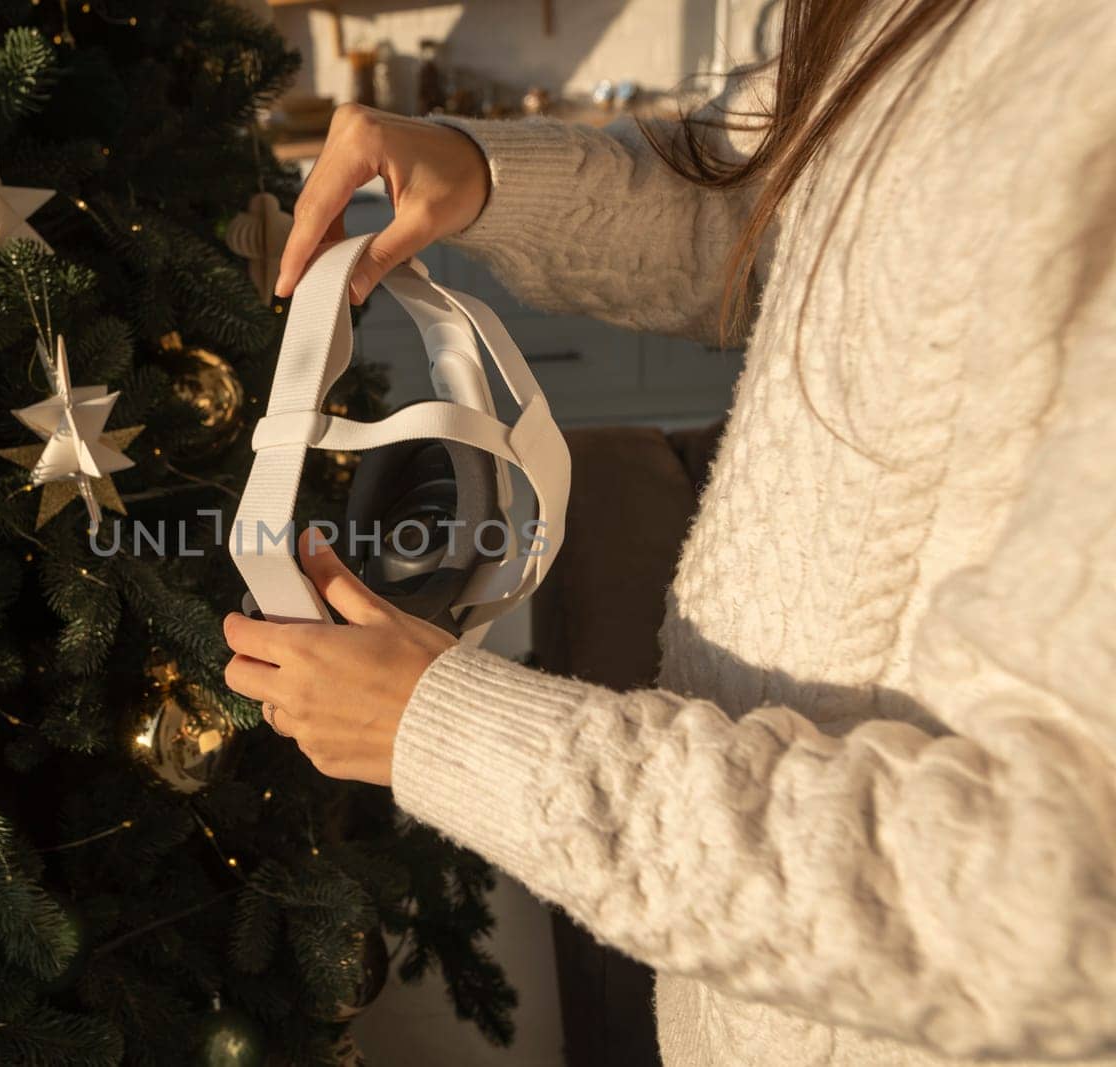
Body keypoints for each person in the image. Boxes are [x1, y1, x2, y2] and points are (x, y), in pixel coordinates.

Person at [221, 0, 1116, 1064]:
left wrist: (452, 733)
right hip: (745, 985)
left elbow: (1051, 897)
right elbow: (747, 201)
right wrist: (482, 171)